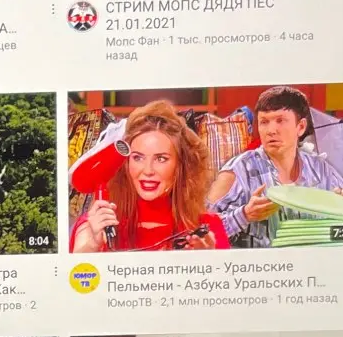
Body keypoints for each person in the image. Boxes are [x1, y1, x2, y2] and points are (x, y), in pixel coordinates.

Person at [209, 86, 343, 247]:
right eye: (264, 122)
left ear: (300, 127)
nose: (271, 130)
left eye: (280, 120)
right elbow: (200, 230)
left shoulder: (321, 170)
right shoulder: (238, 171)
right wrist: (244, 215)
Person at [69, 99, 227, 253]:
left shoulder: (208, 229)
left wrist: (208, 261)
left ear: (181, 165)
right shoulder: (94, 225)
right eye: (138, 158)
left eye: (161, 159)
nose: (148, 170)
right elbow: (76, 269)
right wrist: (91, 247)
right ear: (125, 163)